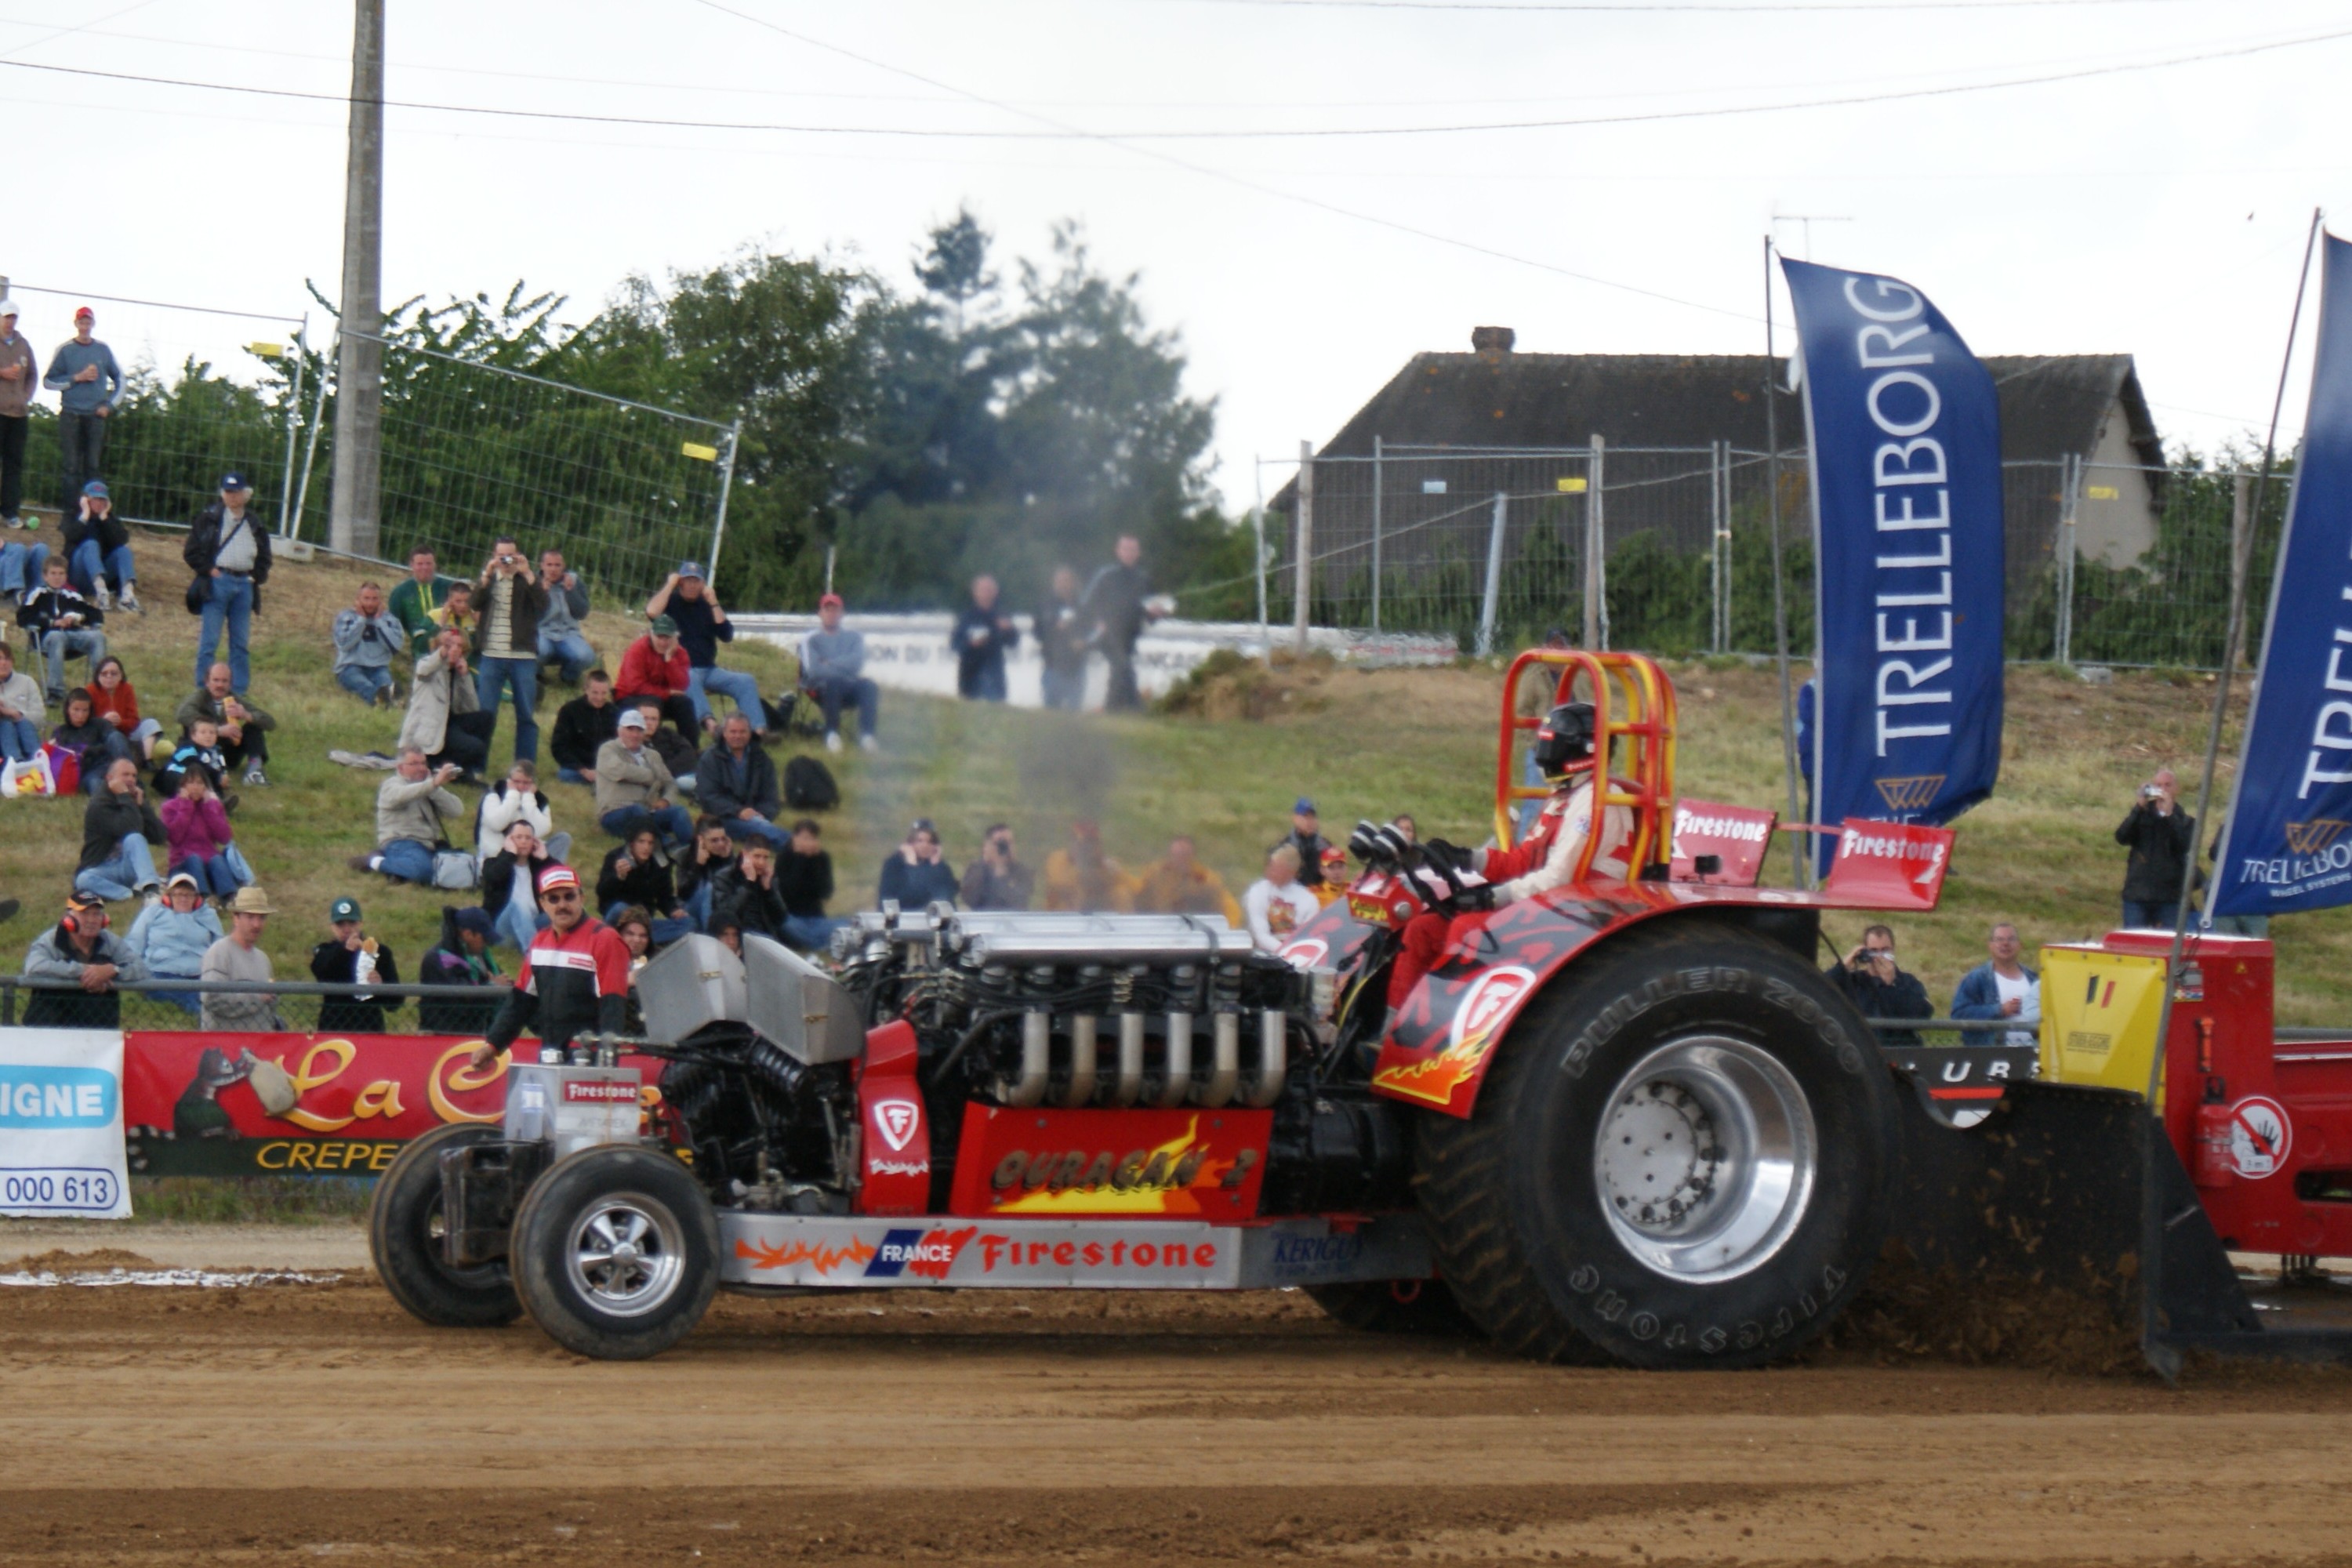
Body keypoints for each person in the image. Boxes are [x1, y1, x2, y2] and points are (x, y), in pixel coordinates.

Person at [1385, 701, 1635, 1018]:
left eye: (1552, 744)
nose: (1545, 752)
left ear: (1580, 750)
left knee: (1467, 930)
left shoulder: (1596, 800)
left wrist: (1493, 898)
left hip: (1581, 913)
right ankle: (1390, 1035)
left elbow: (1559, 877)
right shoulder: (1567, 794)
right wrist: (1465, 858)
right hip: (1550, 905)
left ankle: (1448, 1039)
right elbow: (1524, 860)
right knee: (1423, 930)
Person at [470, 864, 633, 1069]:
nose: (562, 905)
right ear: (543, 904)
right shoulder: (540, 941)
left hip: (587, 1056)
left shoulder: (605, 939)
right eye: (554, 899)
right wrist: (493, 1046)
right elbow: (521, 1002)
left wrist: (606, 1063)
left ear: (582, 898)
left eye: (569, 897)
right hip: (551, 1053)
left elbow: (613, 1007)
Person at [646, 561, 764, 735]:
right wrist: (669, 585)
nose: (692, 585)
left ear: (703, 584)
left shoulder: (707, 605)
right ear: (681, 582)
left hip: (709, 669)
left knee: (746, 681)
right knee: (689, 675)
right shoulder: (670, 602)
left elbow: (727, 635)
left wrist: (714, 602)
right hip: (680, 668)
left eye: (696, 581)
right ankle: (711, 726)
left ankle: (758, 731)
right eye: (688, 580)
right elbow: (651, 612)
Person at [184, 473, 272, 695]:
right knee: (209, 641)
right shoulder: (209, 518)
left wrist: (256, 577)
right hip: (218, 582)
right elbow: (191, 551)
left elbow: (265, 556)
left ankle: (239, 691)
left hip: (244, 584)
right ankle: (203, 690)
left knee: (240, 643)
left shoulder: (254, 523)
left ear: (245, 495)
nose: (231, 497)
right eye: (228, 492)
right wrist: (208, 570)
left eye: (236, 492)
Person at [470, 536, 550, 765]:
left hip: (522, 656)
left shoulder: (525, 581)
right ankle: (476, 764)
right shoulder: (491, 579)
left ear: (518, 556)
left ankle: (525, 767)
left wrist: (528, 574)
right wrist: (486, 576)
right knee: (486, 714)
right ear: (494, 556)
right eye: (501, 556)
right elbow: (474, 603)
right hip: (492, 655)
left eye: (510, 556)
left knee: (525, 714)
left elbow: (543, 606)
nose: (506, 561)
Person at [23, 894, 144, 1029]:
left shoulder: (111, 941)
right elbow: (34, 967)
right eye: (84, 914)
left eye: (96, 914)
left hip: (98, 1030)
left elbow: (141, 969)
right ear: (68, 919)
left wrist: (113, 971)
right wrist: (87, 972)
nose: (91, 920)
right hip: (48, 1028)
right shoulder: (50, 940)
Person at [43, 306, 122, 509]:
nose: (85, 326)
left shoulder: (103, 350)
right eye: (82, 322)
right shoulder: (66, 350)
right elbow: (49, 381)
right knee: (71, 468)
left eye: (88, 322)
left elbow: (121, 380)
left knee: (93, 468)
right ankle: (71, 514)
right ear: (76, 324)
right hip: (71, 415)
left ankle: (94, 515)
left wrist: (109, 405)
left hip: (96, 417)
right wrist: (77, 378)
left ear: (92, 324)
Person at [354, 748, 466, 886]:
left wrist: (435, 789)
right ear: (401, 768)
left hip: (430, 845)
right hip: (402, 843)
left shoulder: (428, 786)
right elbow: (401, 795)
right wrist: (433, 783)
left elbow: (456, 811)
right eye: (415, 764)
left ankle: (399, 873)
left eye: (423, 763)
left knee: (463, 867)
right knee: (424, 871)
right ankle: (374, 861)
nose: (421, 768)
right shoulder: (391, 785)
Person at [1081, 534, 1164, 712]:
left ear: (1138, 553)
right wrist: (1098, 622)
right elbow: (1087, 605)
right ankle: (1131, 708)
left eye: (1133, 550)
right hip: (1107, 635)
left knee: (1122, 672)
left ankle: (1120, 709)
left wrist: (1157, 612)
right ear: (1118, 551)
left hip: (1130, 638)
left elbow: (1151, 615)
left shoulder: (1144, 580)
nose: (1129, 553)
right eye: (1125, 549)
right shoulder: (1106, 576)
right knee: (1122, 667)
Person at [401, 626, 495, 779]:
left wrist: (465, 676)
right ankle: (446, 769)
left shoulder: (458, 673)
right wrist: (442, 654)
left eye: (459, 646)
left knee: (486, 717)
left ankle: (474, 769)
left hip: (450, 723)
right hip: (433, 727)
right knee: (475, 747)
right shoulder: (430, 664)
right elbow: (423, 671)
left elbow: (472, 708)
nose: (455, 650)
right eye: (450, 645)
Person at [593, 707, 691, 851]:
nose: (635, 734)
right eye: (630, 729)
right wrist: (652, 776)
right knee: (636, 810)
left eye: (639, 730)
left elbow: (670, 783)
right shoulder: (608, 749)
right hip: (614, 813)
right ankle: (668, 846)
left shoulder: (653, 755)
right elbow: (620, 771)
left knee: (679, 812)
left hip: (647, 812)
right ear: (619, 731)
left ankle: (692, 849)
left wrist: (666, 800)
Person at [123, 872, 220, 1016]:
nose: (183, 899)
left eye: (188, 895)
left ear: (196, 898)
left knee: (203, 993)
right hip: (161, 972)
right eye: (178, 894)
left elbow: (219, 946)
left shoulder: (208, 916)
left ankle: (198, 1008)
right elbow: (135, 942)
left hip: (197, 975)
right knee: (177, 993)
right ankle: (199, 1011)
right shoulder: (153, 913)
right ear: (169, 896)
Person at [1827, 923, 1933, 1047]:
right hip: (1861, 1050)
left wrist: (1890, 985)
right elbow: (1820, 989)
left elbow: (1923, 1015)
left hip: (1898, 1050)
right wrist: (1842, 967)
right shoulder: (1854, 981)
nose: (1879, 956)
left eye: (1885, 950)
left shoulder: (1908, 982)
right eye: (1874, 951)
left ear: (1893, 950)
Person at [74, 757, 165, 902]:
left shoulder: (132, 800)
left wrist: (143, 807)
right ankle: (130, 894)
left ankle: (151, 889)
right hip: (103, 869)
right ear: (110, 778)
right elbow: (129, 827)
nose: (131, 779)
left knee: (134, 839)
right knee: (83, 880)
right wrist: (125, 797)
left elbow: (159, 837)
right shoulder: (99, 805)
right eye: (125, 775)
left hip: (128, 866)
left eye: (134, 776)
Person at [19, 554, 103, 705]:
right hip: (45, 638)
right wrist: (52, 622)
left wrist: (76, 618)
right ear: (45, 576)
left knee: (98, 636)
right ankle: (56, 692)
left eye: (61, 574)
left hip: (73, 636)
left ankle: (100, 689)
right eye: (53, 574)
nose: (57, 578)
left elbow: (97, 615)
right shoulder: (37, 594)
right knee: (57, 636)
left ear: (66, 576)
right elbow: (23, 617)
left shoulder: (72, 595)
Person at [800, 593, 879, 754]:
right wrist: (843, 665)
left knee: (869, 686)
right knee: (834, 683)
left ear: (842, 613)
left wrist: (829, 662)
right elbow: (814, 671)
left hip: (850, 686)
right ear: (820, 613)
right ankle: (832, 734)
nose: (831, 614)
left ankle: (867, 736)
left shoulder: (854, 637)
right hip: (820, 689)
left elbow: (857, 664)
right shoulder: (811, 639)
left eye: (835, 610)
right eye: (827, 610)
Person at [310, 896, 401, 1034]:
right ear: (332, 927)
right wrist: (345, 952)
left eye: (352, 923)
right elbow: (323, 973)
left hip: (370, 1029)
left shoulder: (380, 952)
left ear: (360, 924)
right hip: (334, 1029)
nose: (347, 929)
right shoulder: (324, 951)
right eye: (341, 924)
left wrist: (381, 986)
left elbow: (395, 1002)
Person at [695, 711, 786, 848]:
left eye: (742, 732)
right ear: (724, 733)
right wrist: (738, 811)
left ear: (750, 733)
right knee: (767, 832)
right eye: (733, 732)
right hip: (722, 819)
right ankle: (797, 849)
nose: (737, 736)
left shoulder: (761, 758)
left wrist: (762, 814)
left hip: (756, 818)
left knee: (762, 828)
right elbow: (708, 797)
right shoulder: (710, 759)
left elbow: (771, 795)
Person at [159, 765, 251, 901]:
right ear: (183, 786)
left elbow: (224, 837)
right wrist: (186, 806)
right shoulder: (170, 807)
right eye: (191, 783)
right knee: (195, 859)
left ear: (205, 787)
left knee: (217, 859)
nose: (195, 787)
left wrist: (210, 808)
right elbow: (174, 838)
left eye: (200, 783)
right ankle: (202, 898)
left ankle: (229, 897)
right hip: (182, 863)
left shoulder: (212, 806)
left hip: (209, 861)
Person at [2118, 768, 2194, 929]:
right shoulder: (2142, 815)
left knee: (2168, 946)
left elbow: (2183, 845)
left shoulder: (2185, 820)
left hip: (2169, 897)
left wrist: (2169, 815)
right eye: (2158, 785)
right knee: (2135, 947)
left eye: (2168, 785)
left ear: (2176, 789)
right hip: (2138, 894)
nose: (2163, 789)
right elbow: (2122, 837)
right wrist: (2139, 807)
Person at [177, 662, 274, 788]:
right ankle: (197, 768)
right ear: (207, 682)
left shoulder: (234, 699)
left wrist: (246, 715)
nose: (220, 685)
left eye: (224, 681)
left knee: (253, 727)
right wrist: (217, 730)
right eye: (216, 680)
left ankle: (254, 771)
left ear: (230, 684)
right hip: (201, 752)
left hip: (227, 752)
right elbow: (182, 714)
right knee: (190, 726)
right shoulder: (200, 697)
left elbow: (270, 723)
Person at [200, 885, 280, 1033]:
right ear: (236, 918)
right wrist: (258, 998)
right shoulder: (219, 953)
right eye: (250, 917)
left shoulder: (263, 959)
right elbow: (212, 999)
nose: (257, 924)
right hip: (225, 1048)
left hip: (259, 1049)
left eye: (261, 918)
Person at [596, 826, 692, 944]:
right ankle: (636, 938)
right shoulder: (616, 857)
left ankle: (638, 939)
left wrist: (673, 910)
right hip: (619, 916)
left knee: (689, 923)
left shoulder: (660, 864)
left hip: (645, 920)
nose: (646, 847)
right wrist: (618, 877)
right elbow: (602, 892)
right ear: (632, 843)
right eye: (641, 842)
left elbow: (665, 897)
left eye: (650, 843)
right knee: (620, 909)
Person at [417, 906, 506, 1035]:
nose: (487, 943)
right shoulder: (438, 958)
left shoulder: (480, 957)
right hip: (442, 1035)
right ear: (468, 934)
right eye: (484, 938)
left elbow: (501, 980)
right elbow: (459, 998)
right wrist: (492, 988)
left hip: (477, 1032)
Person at [1952, 921, 2042, 1048]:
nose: (2005, 944)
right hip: (1991, 1054)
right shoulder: (1978, 978)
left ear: (2020, 945)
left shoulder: (2034, 979)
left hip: (2033, 1053)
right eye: (1999, 940)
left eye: (2011, 939)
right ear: (1990, 945)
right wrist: (2000, 1010)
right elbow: (1959, 1014)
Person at [482, 818, 562, 953]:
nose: (524, 842)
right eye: (518, 837)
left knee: (565, 907)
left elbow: (562, 880)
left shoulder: (538, 866)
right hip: (504, 930)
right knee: (517, 905)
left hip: (534, 924)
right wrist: (510, 855)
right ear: (509, 840)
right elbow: (493, 877)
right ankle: (534, 954)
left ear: (534, 842)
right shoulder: (493, 863)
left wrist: (545, 859)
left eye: (528, 838)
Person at [615, 615, 699, 739]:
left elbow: (681, 686)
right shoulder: (637, 650)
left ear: (675, 638)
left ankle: (691, 750)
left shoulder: (680, 653)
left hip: (659, 697)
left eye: (667, 638)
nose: (663, 642)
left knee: (685, 704)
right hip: (629, 697)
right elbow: (635, 686)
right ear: (651, 634)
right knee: (654, 703)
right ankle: (654, 747)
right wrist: (666, 693)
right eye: (659, 637)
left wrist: (670, 659)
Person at [474, 759, 569, 865]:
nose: (520, 787)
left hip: (527, 857)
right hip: (497, 857)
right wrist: (513, 796)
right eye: (516, 782)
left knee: (563, 839)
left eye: (526, 783)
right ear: (509, 781)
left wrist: (528, 799)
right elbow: (497, 824)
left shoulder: (540, 801)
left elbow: (540, 830)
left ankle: (552, 877)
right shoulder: (493, 794)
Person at [60, 480, 137, 612]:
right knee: (91, 544)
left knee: (124, 551)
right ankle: (101, 592)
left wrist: (104, 518)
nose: (99, 503)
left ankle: (127, 596)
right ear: (86, 499)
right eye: (95, 499)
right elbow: (71, 536)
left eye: (102, 500)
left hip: (103, 572)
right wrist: (85, 515)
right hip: (78, 574)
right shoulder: (72, 515)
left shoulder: (109, 519)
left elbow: (121, 540)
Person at [1134, 834, 1244, 924]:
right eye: (1176, 856)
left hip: (1195, 930)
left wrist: (1227, 929)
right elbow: (1136, 891)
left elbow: (1229, 906)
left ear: (1192, 857)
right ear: (1169, 855)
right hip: (1161, 927)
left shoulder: (1205, 878)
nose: (1180, 861)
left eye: (1184, 856)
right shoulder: (1156, 873)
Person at [332, 582, 407, 706]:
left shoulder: (390, 620)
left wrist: (379, 621)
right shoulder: (346, 617)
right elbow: (344, 645)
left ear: (381, 601)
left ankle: (390, 700)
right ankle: (384, 701)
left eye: (374, 599)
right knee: (363, 685)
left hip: (378, 668)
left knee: (385, 683)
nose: (370, 603)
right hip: (350, 666)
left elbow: (396, 647)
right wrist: (361, 621)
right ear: (358, 600)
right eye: (366, 598)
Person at [776, 818, 844, 952]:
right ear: (794, 838)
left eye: (812, 838)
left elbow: (826, 892)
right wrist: (801, 859)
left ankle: (816, 942)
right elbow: (789, 891)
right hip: (793, 918)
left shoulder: (822, 858)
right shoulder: (784, 857)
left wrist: (815, 861)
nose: (808, 842)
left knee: (846, 923)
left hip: (816, 919)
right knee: (785, 926)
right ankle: (823, 944)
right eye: (804, 838)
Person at [1042, 820, 1138, 913]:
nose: (1088, 847)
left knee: (1121, 893)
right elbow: (1062, 883)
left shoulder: (1107, 864)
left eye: (1093, 842)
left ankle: (1123, 927)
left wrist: (1105, 869)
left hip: (1101, 916)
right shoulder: (1059, 859)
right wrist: (1087, 868)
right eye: (1084, 843)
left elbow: (1135, 888)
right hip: (1066, 920)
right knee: (1074, 895)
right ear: (1071, 843)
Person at [1242, 844, 1321, 955]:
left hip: (1296, 957)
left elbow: (1308, 937)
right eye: (1271, 867)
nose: (1271, 871)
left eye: (1277, 869)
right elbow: (1259, 933)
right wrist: (1285, 952)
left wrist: (1293, 954)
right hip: (1264, 956)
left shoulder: (1309, 900)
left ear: (1292, 872)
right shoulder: (1258, 891)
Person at [952, 574, 1018, 702]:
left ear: (995, 593)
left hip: (994, 677)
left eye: (989, 590)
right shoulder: (966, 617)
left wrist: (1008, 630)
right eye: (982, 590)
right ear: (975, 593)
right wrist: (971, 644)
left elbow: (1014, 642)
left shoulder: (1002, 615)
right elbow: (955, 644)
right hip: (970, 677)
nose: (986, 594)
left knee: (996, 717)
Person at [550, 668, 621, 787]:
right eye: (595, 693)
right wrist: (583, 770)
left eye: (604, 693)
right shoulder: (570, 710)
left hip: (607, 766)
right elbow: (559, 746)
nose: (599, 698)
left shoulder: (614, 712)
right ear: (586, 690)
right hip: (579, 767)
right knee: (565, 775)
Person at [534, 549, 595, 685]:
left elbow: (582, 613)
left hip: (568, 633)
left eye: (557, 565)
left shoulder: (574, 581)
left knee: (586, 657)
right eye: (549, 565)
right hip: (541, 632)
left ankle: (569, 676)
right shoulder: (533, 582)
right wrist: (541, 594)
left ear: (564, 566)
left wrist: (570, 591)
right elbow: (528, 615)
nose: (553, 569)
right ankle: (537, 674)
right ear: (542, 566)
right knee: (538, 650)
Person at [50, 685, 127, 793]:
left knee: (116, 736)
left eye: (85, 710)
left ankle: (127, 776)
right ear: (68, 709)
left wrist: (89, 751)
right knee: (94, 783)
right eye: (76, 710)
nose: (80, 715)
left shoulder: (99, 724)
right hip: (84, 773)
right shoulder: (61, 732)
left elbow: (112, 744)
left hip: (105, 765)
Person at [389, 547, 463, 659]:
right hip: (421, 648)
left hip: (451, 645)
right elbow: (394, 625)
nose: (425, 568)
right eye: (420, 564)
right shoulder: (400, 593)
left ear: (435, 565)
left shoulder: (450, 588)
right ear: (411, 565)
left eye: (429, 564)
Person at [712, 839, 789, 945]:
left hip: (765, 932)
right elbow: (727, 914)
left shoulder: (768, 877)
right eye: (757, 856)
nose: (761, 862)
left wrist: (768, 890)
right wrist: (749, 884)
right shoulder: (725, 877)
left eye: (765, 858)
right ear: (744, 855)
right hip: (739, 932)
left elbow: (780, 918)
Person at [1034, 564, 1089, 712]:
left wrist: (1084, 642)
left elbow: (1090, 632)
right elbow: (1037, 633)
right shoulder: (1045, 605)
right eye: (1059, 581)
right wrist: (1055, 628)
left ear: (1073, 583)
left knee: (1074, 715)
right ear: (1054, 583)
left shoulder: (1082, 606)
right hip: (1053, 667)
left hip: (1076, 667)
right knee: (1051, 716)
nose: (1063, 585)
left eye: (1066, 581)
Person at [89, 655, 162, 762]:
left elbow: (134, 720)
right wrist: (104, 721)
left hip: (127, 732)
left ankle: (148, 760)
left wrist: (120, 722)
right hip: (104, 735)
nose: (109, 677)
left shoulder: (127, 688)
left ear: (121, 675)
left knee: (151, 724)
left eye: (114, 673)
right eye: (104, 674)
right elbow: (88, 722)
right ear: (98, 676)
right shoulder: (90, 691)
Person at [0, 299, 34, 528]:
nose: (10, 321)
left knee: (14, 465)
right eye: (7, 317)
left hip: (18, 414)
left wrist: (25, 397)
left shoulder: (24, 345)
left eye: (14, 317)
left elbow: (32, 374)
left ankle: (10, 512)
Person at [878, 818, 958, 909]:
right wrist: (912, 866)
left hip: (934, 918)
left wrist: (936, 866)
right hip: (904, 917)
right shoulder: (894, 865)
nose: (925, 846)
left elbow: (946, 897)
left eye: (930, 842)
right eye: (920, 841)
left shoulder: (941, 868)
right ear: (910, 843)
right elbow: (911, 897)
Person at [677, 815, 737, 931]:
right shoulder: (685, 855)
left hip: (718, 909)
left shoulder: (726, 855)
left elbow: (730, 889)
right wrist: (698, 865)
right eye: (714, 840)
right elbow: (683, 893)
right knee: (709, 888)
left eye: (723, 839)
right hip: (690, 907)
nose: (721, 844)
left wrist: (727, 862)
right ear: (701, 839)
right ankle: (712, 935)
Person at [959, 823, 1033, 911]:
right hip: (983, 920)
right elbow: (970, 899)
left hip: (1013, 920)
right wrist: (989, 863)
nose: (1005, 847)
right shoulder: (976, 870)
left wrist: (1002, 871)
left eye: (1009, 843)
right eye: (1000, 843)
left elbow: (1019, 900)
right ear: (987, 845)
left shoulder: (1021, 871)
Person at [154, 717, 229, 798]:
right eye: (203, 732)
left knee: (206, 785)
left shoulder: (216, 750)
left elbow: (220, 765)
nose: (208, 736)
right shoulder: (188, 749)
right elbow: (200, 768)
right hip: (176, 776)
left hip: (202, 778)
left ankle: (217, 802)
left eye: (212, 733)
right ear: (193, 736)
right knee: (195, 781)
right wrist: (218, 777)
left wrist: (223, 775)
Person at [635, 697, 699, 790]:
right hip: (675, 779)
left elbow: (689, 753)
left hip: (689, 772)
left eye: (654, 719)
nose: (649, 723)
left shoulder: (666, 733)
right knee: (683, 782)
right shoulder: (632, 743)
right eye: (645, 719)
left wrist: (665, 769)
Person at [1272, 799, 1333, 892]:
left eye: (1313, 817)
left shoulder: (1326, 847)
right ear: (1295, 818)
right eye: (1305, 816)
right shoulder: (1284, 848)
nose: (1310, 821)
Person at [0, 642, 42, 761]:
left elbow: (40, 718)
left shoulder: (27, 682)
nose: (4, 663)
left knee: (23, 723)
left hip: (25, 733)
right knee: (6, 725)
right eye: (0, 659)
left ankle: (36, 759)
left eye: (7, 659)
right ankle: (17, 762)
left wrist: (16, 714)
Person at [0, 524, 48, 606]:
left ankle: (42, 591)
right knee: (19, 548)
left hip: (15, 570)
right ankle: (14, 591)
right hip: (4, 580)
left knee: (41, 548)